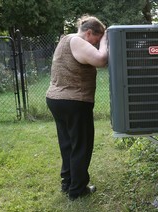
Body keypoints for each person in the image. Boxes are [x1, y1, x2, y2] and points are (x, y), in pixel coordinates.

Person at [46, 15, 108, 201]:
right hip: (74, 101)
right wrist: (106, 41)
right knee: (81, 145)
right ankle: (78, 189)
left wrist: (101, 40)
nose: (96, 44)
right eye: (96, 39)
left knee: (67, 143)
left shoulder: (65, 40)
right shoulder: (78, 41)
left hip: (56, 99)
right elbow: (101, 59)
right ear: (89, 33)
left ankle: (68, 183)